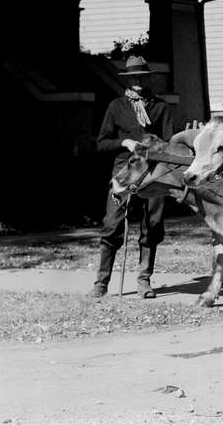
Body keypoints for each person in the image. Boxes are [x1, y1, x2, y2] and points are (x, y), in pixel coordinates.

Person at [87, 55, 175, 299]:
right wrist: (124, 142)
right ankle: (102, 282)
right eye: (133, 77)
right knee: (112, 223)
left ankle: (144, 280)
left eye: (142, 77)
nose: (138, 81)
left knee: (152, 225)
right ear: (127, 80)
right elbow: (102, 143)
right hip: (124, 171)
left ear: (148, 78)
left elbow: (169, 144)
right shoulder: (117, 107)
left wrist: (154, 147)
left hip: (153, 173)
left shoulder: (160, 107)